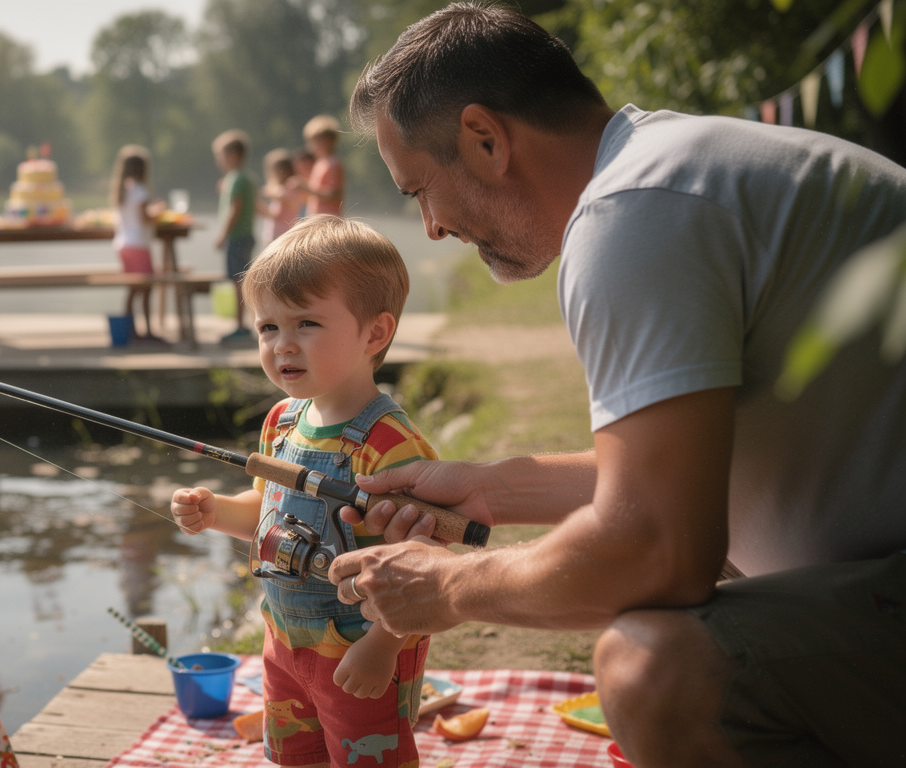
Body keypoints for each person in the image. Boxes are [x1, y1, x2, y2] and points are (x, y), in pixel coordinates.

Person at [327, 4, 906, 768]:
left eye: (417, 192)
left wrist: (453, 587)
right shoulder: (674, 167)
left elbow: (659, 550)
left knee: (653, 668)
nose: (431, 227)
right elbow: (675, 476)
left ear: (486, 139)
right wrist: (492, 489)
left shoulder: (632, 215)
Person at [171, 214, 437, 767]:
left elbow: (425, 562)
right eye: (268, 328)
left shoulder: (390, 446)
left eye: (306, 324)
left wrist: (383, 646)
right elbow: (269, 513)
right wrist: (215, 511)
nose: (282, 345)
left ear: (375, 333)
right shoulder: (282, 422)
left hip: (360, 652)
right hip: (285, 643)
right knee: (297, 758)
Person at [109, 144, 166, 342]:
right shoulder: (140, 190)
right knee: (147, 288)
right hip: (138, 245)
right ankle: (148, 332)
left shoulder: (122, 191)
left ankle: (129, 331)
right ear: (143, 169)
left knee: (133, 289)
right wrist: (158, 212)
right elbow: (144, 218)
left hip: (123, 245)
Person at [212, 129, 258, 343]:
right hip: (241, 236)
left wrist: (223, 235)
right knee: (237, 281)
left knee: (239, 282)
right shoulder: (235, 179)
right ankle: (242, 324)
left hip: (238, 237)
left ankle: (241, 326)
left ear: (233, 155)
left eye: (220, 155)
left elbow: (235, 209)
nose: (218, 160)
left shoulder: (238, 179)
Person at [258, 148, 307, 244]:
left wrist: (258, 203)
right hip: (286, 235)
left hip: (279, 236)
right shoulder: (292, 189)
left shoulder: (288, 188)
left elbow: (276, 213)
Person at [302, 114, 346, 216]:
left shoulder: (333, 164)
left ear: (327, 141)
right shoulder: (320, 163)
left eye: (313, 141)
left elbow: (334, 195)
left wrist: (306, 188)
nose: (309, 146)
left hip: (329, 220)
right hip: (317, 219)